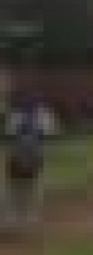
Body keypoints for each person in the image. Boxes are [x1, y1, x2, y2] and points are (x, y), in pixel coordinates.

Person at [5, 95, 57, 230]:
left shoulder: (43, 115)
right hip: (19, 153)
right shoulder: (17, 115)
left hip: (33, 153)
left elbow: (47, 135)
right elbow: (10, 135)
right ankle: (14, 216)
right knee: (16, 187)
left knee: (31, 186)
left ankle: (28, 215)